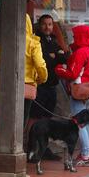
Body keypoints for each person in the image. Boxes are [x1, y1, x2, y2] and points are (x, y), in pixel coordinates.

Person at [0, 14, 48, 133]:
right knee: (21, 118)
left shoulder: (4, 41)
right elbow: (40, 65)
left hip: (3, 85)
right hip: (25, 87)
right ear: (28, 25)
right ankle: (17, 146)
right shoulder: (33, 43)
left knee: (2, 118)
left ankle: (0, 142)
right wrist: (42, 79)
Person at [55, 24, 89, 166]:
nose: (74, 38)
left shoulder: (80, 53)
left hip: (78, 90)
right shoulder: (88, 51)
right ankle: (86, 153)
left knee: (80, 124)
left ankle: (85, 154)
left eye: (75, 36)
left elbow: (72, 73)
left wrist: (59, 68)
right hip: (87, 89)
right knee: (84, 123)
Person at [28, 14, 66, 160]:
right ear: (39, 25)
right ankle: (31, 149)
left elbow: (63, 57)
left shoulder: (53, 41)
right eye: (45, 24)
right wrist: (54, 57)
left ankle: (43, 149)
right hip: (40, 85)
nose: (47, 27)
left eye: (50, 24)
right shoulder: (36, 41)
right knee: (35, 118)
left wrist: (55, 56)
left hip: (52, 85)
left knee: (47, 118)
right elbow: (44, 61)